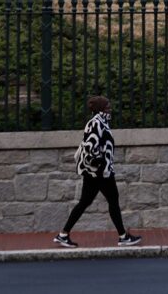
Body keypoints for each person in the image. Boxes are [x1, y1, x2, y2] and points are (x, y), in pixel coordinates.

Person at [54, 96, 142, 247]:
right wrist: (99, 163)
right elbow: (89, 145)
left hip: (97, 171)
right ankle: (123, 237)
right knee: (112, 199)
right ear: (101, 109)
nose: (110, 109)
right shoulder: (95, 123)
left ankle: (63, 234)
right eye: (107, 107)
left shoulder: (101, 122)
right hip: (100, 172)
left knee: (85, 202)